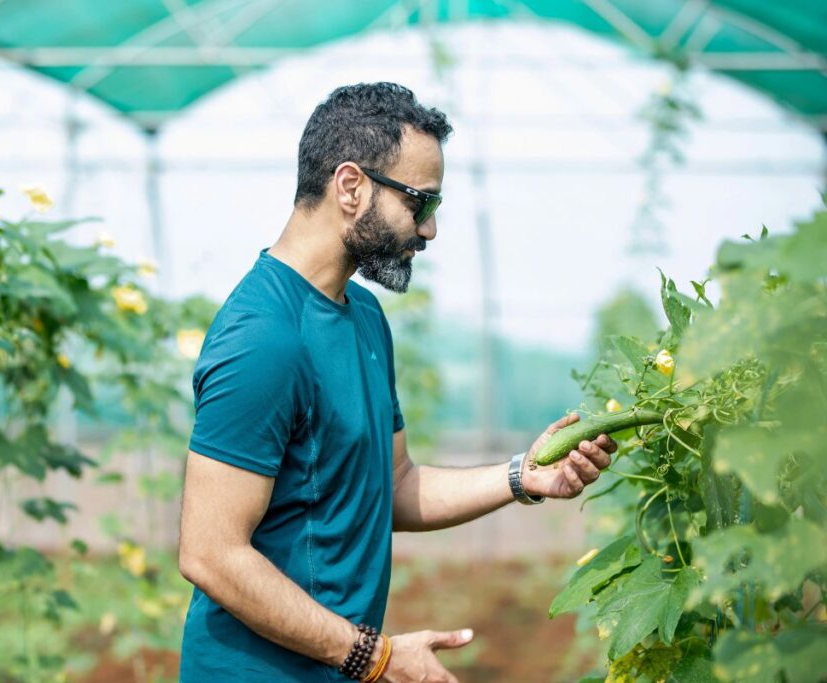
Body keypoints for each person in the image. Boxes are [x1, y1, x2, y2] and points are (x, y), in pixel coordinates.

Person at [177, 82, 616, 683]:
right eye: (421, 204)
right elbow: (211, 554)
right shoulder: (264, 338)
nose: (429, 231)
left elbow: (394, 484)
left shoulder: (361, 316)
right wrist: (375, 657)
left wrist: (523, 475)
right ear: (351, 187)